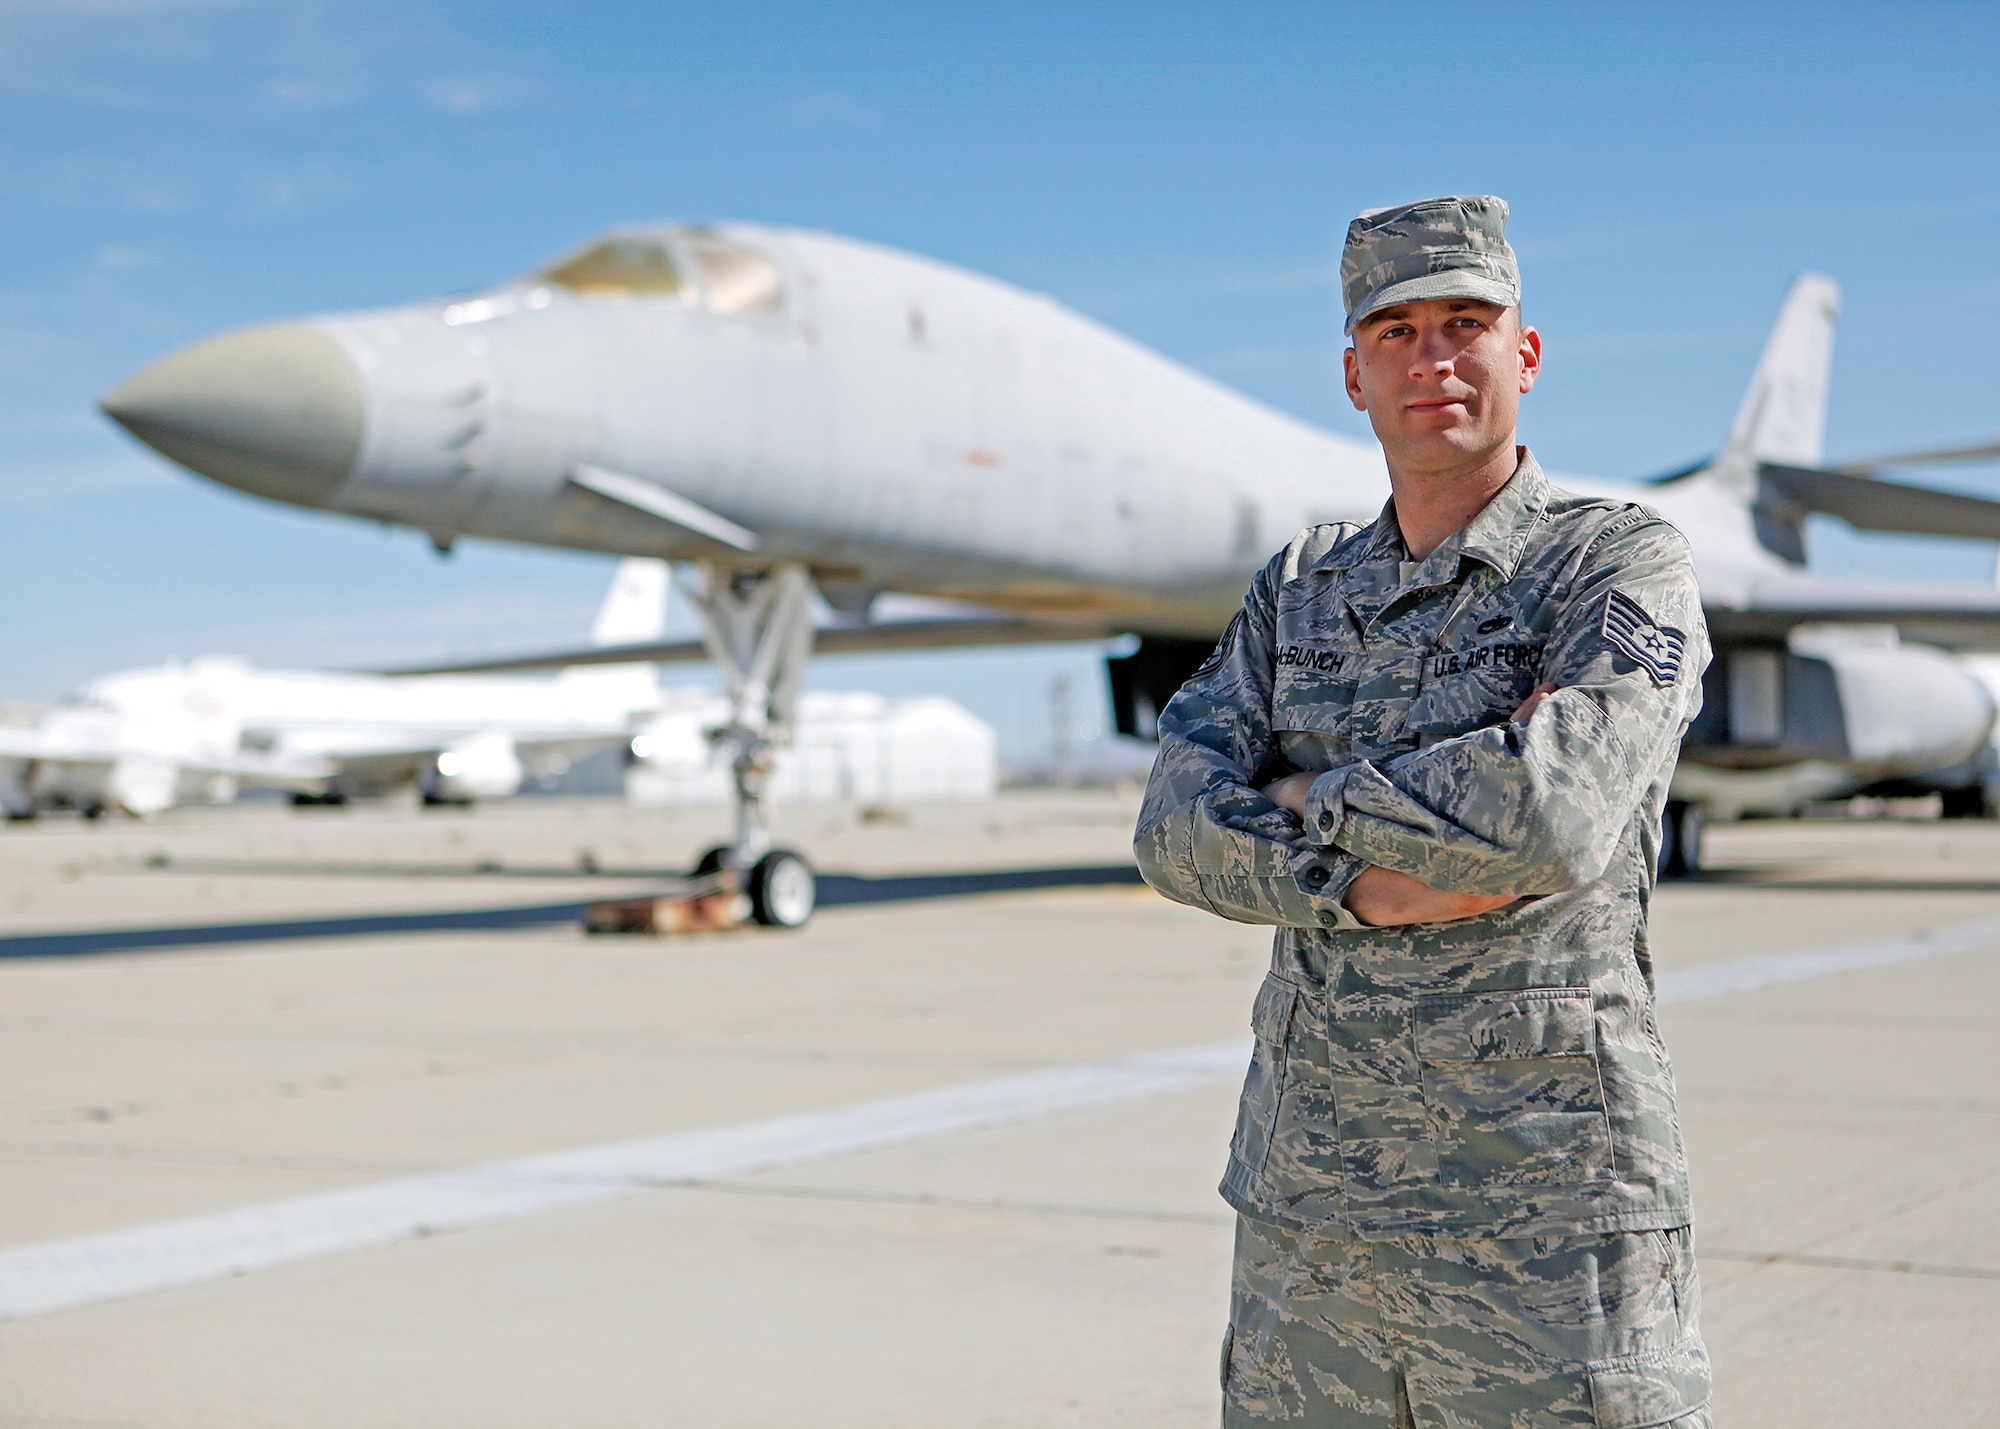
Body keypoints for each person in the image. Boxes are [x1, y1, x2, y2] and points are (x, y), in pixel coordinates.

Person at [1135, 195, 1713, 1428]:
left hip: (1544, 1223)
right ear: (1353, 374)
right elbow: (1174, 822)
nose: (1431, 358)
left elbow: (1549, 813)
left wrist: (1304, 794)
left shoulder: (1612, 565)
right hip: (1313, 1222)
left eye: (1465, 322)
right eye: (1394, 331)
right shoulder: (1296, 590)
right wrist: (1344, 880)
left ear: (1526, 354)